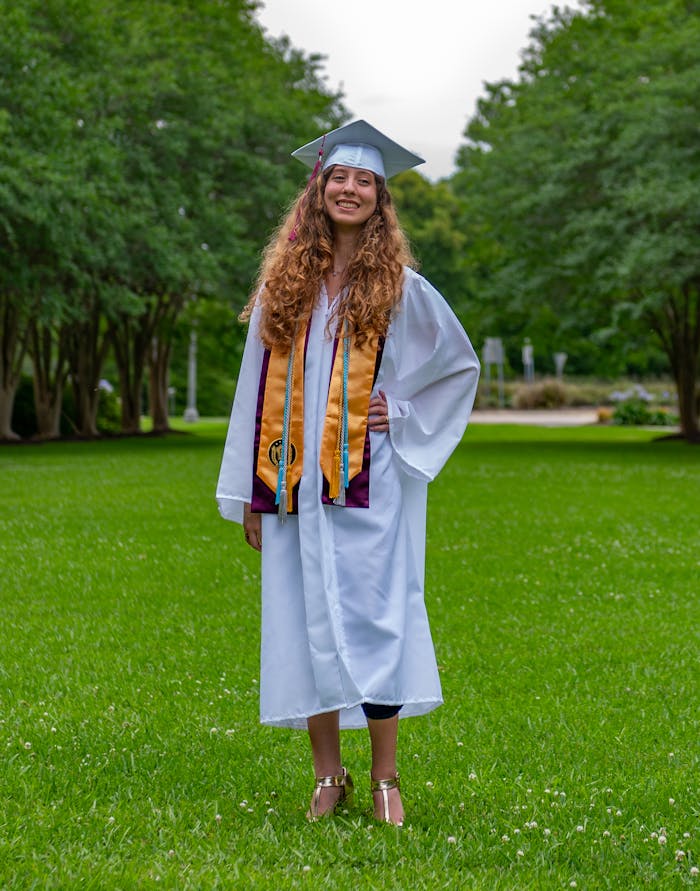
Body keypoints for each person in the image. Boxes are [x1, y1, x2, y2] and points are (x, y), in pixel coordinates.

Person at [216, 120, 480, 826]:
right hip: (294, 483)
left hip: (371, 485)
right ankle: (327, 775)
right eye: (340, 178)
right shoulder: (284, 288)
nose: (350, 189)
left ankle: (386, 777)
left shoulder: (402, 287)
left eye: (365, 180)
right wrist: (250, 490)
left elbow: (457, 367)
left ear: (380, 198)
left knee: (378, 618)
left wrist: (407, 410)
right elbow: (251, 391)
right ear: (319, 189)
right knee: (310, 622)